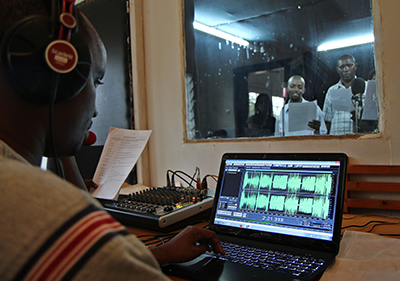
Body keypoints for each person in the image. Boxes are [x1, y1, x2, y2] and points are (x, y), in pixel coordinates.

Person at [0, 1, 224, 280]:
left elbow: (88, 259)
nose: (95, 110)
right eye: (95, 80)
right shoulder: (40, 209)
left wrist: (163, 253)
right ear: (54, 73)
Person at [322, 54, 365, 135]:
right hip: (336, 139)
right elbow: (327, 121)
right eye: (342, 67)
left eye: (349, 65)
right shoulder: (332, 90)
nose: (346, 69)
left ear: (355, 66)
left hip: (358, 139)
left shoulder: (364, 87)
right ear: (338, 70)